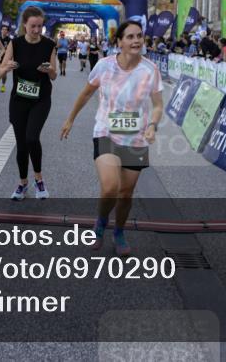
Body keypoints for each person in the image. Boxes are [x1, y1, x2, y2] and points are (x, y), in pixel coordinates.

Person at [60, 20, 164, 255]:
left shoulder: (150, 70)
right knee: (110, 188)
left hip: (135, 137)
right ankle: (100, 222)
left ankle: (119, 231)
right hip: (105, 131)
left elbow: (157, 105)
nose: (136, 40)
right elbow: (86, 93)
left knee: (126, 193)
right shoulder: (105, 66)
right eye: (130, 37)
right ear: (119, 42)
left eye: (139, 36)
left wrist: (153, 125)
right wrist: (70, 119)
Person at [0, 6, 57, 201]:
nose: (36, 30)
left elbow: (54, 75)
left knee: (32, 137)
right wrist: (7, 67)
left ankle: (39, 180)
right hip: (19, 99)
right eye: (33, 26)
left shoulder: (49, 45)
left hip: (40, 99)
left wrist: (47, 69)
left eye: (40, 26)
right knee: (21, 144)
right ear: (25, 25)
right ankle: (22, 183)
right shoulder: (15, 44)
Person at [0, 24, 14, 92]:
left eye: (6, 30)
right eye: (3, 29)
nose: (4, 31)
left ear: (7, 32)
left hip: (6, 57)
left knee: (4, 73)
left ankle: (3, 85)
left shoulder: (9, 40)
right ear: (1, 30)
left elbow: (10, 50)